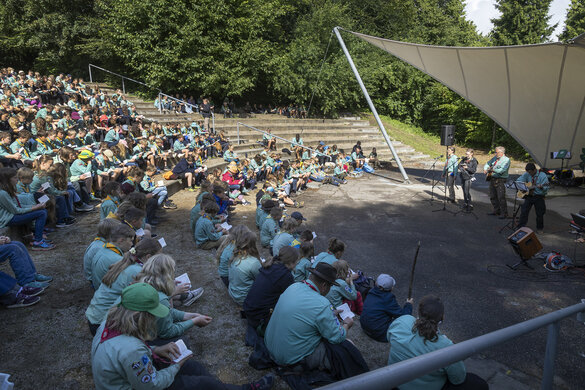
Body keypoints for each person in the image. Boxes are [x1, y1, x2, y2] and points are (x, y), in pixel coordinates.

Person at [91, 283, 274, 390]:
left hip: (129, 375)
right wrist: (176, 366)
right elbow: (151, 386)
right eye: (152, 315)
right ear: (139, 315)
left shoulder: (110, 322)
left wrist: (156, 349)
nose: (155, 318)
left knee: (194, 367)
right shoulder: (131, 349)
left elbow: (126, 356)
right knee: (200, 382)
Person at [264, 262, 368, 378]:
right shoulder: (322, 304)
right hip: (289, 360)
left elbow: (304, 311)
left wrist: (330, 314)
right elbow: (337, 337)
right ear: (324, 285)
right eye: (330, 286)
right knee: (347, 345)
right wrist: (346, 325)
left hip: (270, 348)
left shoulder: (294, 286)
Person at [387, 295, 488, 390]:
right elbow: (458, 379)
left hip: (394, 382)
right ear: (442, 318)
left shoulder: (402, 320)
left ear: (419, 312)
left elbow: (388, 337)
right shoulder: (446, 347)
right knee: (480, 384)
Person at [86, 238, 162, 335]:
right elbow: (147, 299)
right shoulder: (136, 271)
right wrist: (173, 293)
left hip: (94, 316)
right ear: (148, 257)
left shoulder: (127, 262)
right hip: (102, 323)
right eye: (159, 256)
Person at [243, 246, 299, 334]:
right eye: (296, 262)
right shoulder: (285, 276)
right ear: (291, 262)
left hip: (249, 308)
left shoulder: (271, 265)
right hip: (258, 318)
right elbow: (291, 299)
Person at [0, 167, 54, 250]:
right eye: (14, 178)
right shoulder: (2, 193)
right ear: (7, 180)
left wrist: (34, 207)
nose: (17, 179)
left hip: (12, 215)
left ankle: (37, 238)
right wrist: (33, 208)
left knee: (41, 210)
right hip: (8, 219)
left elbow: (17, 206)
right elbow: (16, 210)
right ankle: (38, 242)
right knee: (41, 213)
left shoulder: (7, 190)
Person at [360, 274, 413, 343]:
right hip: (379, 333)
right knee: (402, 322)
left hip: (365, 327)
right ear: (391, 288)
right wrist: (409, 305)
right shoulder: (388, 299)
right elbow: (403, 316)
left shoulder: (371, 292)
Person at [228, 231, 262, 305]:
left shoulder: (235, 255)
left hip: (233, 292)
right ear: (253, 245)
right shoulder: (253, 262)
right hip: (244, 298)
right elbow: (260, 279)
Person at [516, 163, 549, 234]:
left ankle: (540, 228)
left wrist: (542, 187)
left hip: (538, 196)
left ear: (534, 170)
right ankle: (520, 227)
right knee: (524, 212)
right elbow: (518, 181)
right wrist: (525, 186)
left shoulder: (542, 175)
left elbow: (546, 188)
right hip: (528, 196)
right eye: (528, 172)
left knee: (540, 213)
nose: (529, 174)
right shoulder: (527, 174)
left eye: (530, 172)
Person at [484, 146, 510, 219]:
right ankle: (496, 210)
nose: (495, 153)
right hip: (492, 178)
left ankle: (504, 213)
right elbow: (488, 163)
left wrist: (493, 170)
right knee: (492, 195)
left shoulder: (506, 160)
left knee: (501, 197)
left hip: (500, 179)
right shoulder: (495, 158)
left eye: (496, 152)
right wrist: (486, 169)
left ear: (501, 153)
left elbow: (502, 170)